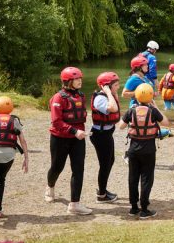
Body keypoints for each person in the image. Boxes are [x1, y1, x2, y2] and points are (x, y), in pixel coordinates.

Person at [46, 67, 92, 215]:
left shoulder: (81, 96)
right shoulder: (58, 98)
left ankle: (74, 204)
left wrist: (80, 132)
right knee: (57, 166)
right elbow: (56, 121)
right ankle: (50, 186)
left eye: (80, 78)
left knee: (78, 169)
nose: (80, 81)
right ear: (67, 81)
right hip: (60, 138)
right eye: (76, 79)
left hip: (78, 139)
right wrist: (74, 131)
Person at [118, 83, 169, 219]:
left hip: (134, 149)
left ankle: (134, 207)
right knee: (146, 178)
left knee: (133, 178)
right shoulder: (153, 111)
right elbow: (166, 123)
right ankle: (145, 209)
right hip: (148, 150)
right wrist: (156, 107)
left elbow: (121, 126)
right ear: (150, 96)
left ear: (137, 96)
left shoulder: (132, 110)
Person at [89, 72, 121, 203]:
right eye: (116, 85)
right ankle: (101, 195)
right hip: (100, 136)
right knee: (105, 164)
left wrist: (111, 92)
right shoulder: (100, 98)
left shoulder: (110, 95)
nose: (118, 87)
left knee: (110, 161)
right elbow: (113, 108)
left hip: (107, 134)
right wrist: (108, 92)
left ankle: (103, 188)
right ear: (106, 86)